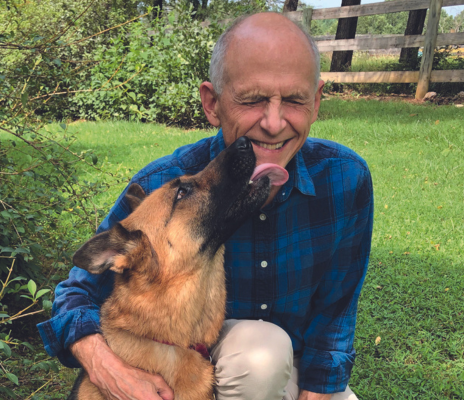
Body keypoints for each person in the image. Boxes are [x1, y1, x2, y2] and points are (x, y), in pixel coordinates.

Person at [38, 12, 373, 400]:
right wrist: (108, 368)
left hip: (288, 370)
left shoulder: (345, 180)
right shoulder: (158, 189)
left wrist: (317, 391)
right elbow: (74, 294)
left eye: (294, 100)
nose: (274, 122)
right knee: (261, 355)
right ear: (212, 103)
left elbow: (336, 315)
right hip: (200, 366)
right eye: (253, 99)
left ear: (316, 102)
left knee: (267, 356)